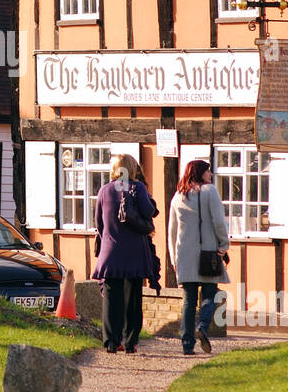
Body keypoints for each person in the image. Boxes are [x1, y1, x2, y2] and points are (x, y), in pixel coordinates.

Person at [92, 153, 159, 354]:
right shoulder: (137, 187)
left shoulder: (104, 190)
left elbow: (99, 224)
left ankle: (112, 342)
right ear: (132, 168)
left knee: (111, 299)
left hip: (110, 250)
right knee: (133, 299)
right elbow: (148, 213)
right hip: (135, 252)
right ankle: (131, 341)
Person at [167, 158, 231, 356]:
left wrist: (173, 259)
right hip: (208, 253)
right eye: (208, 171)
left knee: (188, 300)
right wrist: (224, 244)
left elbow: (172, 231)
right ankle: (202, 326)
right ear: (200, 173)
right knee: (210, 294)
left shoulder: (178, 196)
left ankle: (187, 344)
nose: (210, 175)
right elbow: (218, 221)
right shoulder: (209, 191)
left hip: (184, 255)